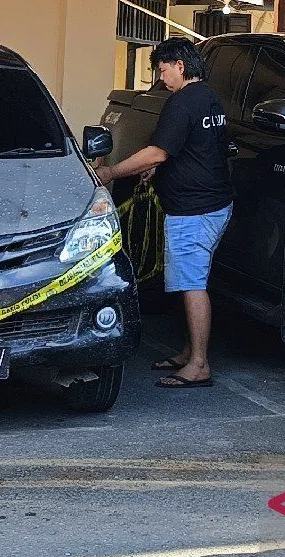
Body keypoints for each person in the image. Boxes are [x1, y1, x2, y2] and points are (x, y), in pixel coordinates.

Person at [95, 38, 233, 389]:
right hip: (215, 203)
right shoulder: (210, 98)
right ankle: (189, 352)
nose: (161, 77)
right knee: (191, 281)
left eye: (163, 69)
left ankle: (199, 365)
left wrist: (111, 172)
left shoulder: (181, 102)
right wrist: (159, 170)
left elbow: (158, 151)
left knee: (192, 285)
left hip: (194, 210)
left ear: (180, 66)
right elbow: (197, 148)